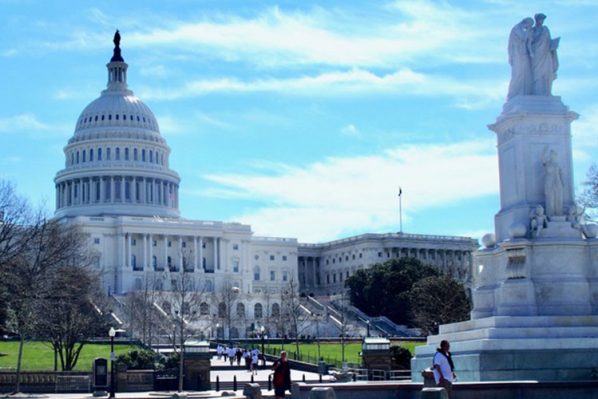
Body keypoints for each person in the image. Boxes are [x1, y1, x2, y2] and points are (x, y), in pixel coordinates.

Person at [531, 13, 559, 96]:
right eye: (540, 19)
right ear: (537, 20)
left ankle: (546, 91)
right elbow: (530, 42)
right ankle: (537, 91)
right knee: (537, 73)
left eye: (543, 19)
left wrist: (553, 45)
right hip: (536, 54)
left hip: (546, 54)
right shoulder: (532, 30)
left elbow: (548, 41)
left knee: (547, 71)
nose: (542, 21)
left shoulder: (545, 29)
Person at [507, 17, 534, 100]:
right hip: (517, 54)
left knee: (525, 73)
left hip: (523, 54)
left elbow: (528, 42)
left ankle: (524, 92)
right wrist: (529, 33)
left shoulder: (524, 30)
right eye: (529, 25)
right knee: (518, 73)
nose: (529, 27)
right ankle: (514, 93)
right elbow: (523, 38)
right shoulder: (516, 29)